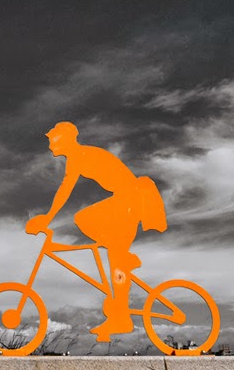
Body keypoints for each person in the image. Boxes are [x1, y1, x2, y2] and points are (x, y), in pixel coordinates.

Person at [25, 121, 167, 342]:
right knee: (113, 255)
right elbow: (65, 189)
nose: (50, 143)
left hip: (130, 199)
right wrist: (47, 217)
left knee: (92, 228)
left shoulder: (82, 156)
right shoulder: (77, 158)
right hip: (125, 199)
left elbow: (65, 190)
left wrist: (47, 218)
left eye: (53, 138)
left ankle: (121, 317)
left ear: (65, 139)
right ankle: (121, 302)